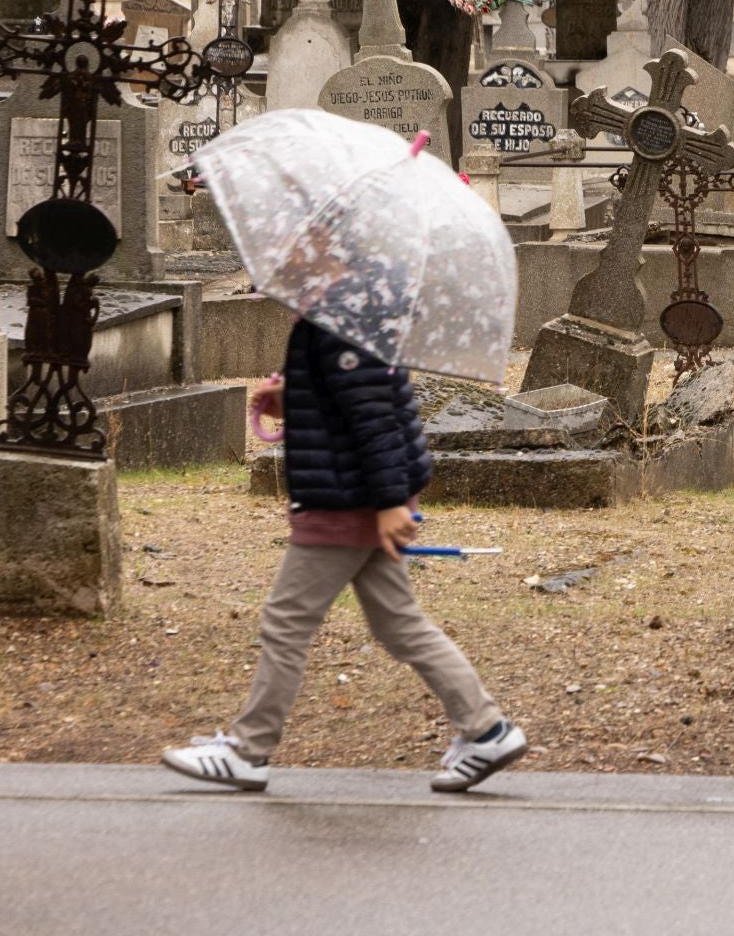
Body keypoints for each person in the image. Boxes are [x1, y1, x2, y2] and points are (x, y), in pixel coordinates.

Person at [161, 316, 525, 793]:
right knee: (399, 624)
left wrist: (390, 502)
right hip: (360, 496)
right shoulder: (345, 315)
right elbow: (348, 403)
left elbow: (374, 418)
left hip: (348, 502)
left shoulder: (343, 320)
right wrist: (295, 398)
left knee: (287, 620)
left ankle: (247, 751)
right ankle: (487, 731)